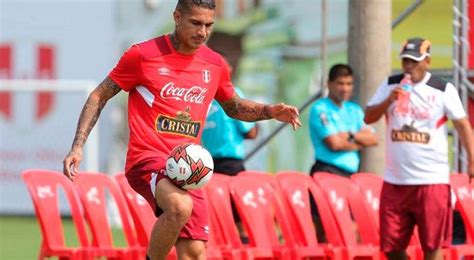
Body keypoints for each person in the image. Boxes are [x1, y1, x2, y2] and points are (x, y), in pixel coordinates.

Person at [62, 0, 301, 259]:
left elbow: (233, 107)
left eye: (209, 25)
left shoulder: (214, 64)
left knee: (195, 252)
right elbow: (99, 95)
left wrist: (269, 111)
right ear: (177, 17)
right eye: (195, 23)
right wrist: (77, 146)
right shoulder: (142, 55)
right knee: (179, 205)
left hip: (190, 170)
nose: (203, 32)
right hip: (147, 159)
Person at [364, 37, 474, 260]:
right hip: (396, 181)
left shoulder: (443, 88)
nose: (409, 66)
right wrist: (388, 101)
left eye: (414, 61)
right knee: (391, 246)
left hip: (431, 180)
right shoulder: (390, 83)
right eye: (406, 61)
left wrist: (473, 160)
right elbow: (368, 117)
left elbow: (462, 124)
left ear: (427, 62)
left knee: (432, 246)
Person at [309, 64, 378, 177]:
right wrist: (361, 143)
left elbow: (373, 139)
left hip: (350, 174)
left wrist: (350, 135)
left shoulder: (354, 109)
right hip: (327, 170)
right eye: (340, 83)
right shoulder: (321, 109)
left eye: (349, 84)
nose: (345, 89)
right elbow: (335, 144)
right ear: (329, 84)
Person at [202, 87, 258, 175]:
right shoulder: (231, 93)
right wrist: (257, 120)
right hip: (231, 166)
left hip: (207, 166)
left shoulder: (201, 96)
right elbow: (251, 133)